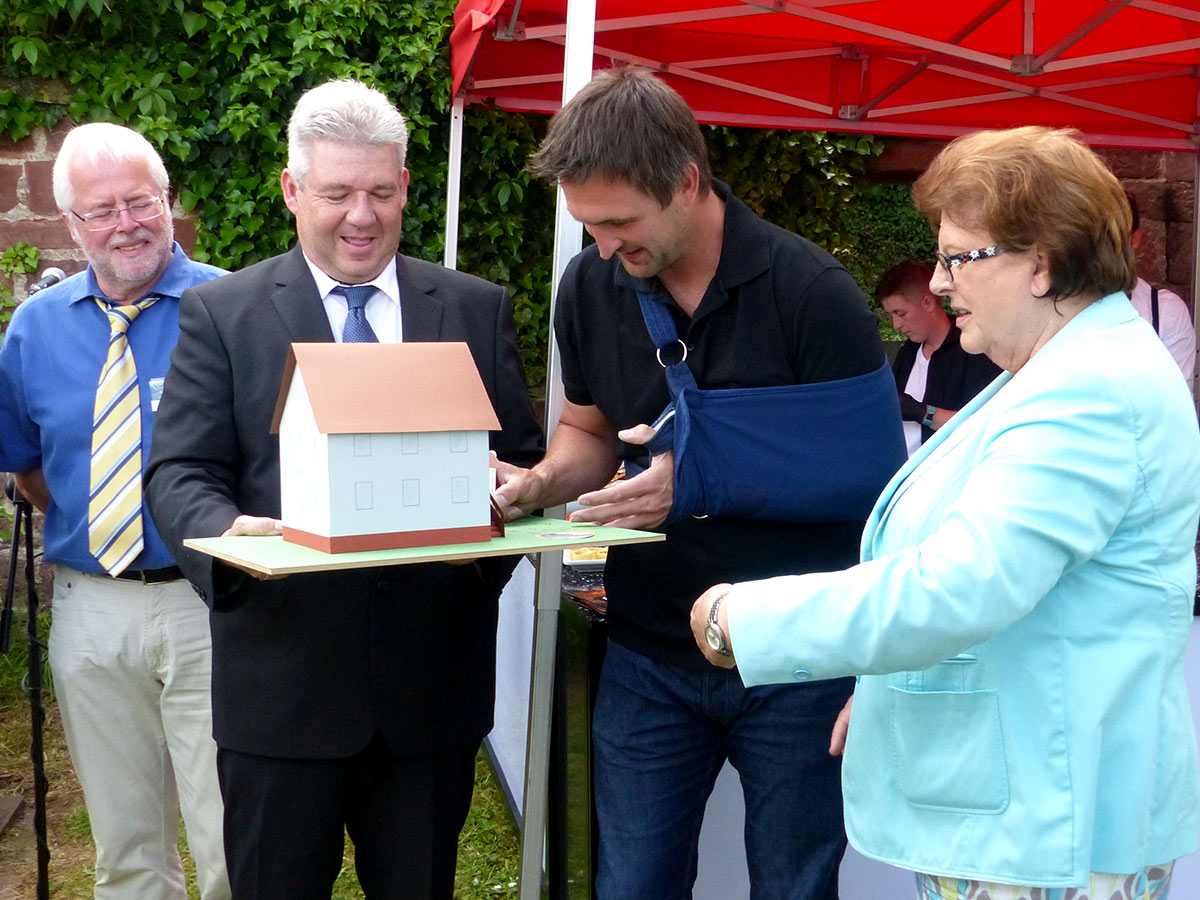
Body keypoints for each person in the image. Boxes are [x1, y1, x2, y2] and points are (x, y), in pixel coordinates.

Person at [690, 126, 1200, 899]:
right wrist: (892, 682)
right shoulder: (1058, 367)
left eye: (959, 257)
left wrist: (744, 620)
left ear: (1044, 262)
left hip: (1052, 827)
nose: (937, 282)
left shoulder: (1086, 388)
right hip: (1035, 811)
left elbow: (959, 585)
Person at [495, 67, 901, 899]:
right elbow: (588, 431)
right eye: (590, 227)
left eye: (620, 224)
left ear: (688, 181)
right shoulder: (592, 282)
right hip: (649, 650)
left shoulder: (811, 292)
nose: (606, 249)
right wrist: (537, 485)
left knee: (794, 885)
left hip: (795, 659)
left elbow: (872, 479)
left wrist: (702, 478)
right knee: (632, 883)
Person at [143, 79, 542, 900]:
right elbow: (179, 472)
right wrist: (230, 539)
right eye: (336, 194)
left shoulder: (471, 307)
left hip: (431, 695)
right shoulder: (224, 315)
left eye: (381, 192)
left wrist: (477, 561)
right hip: (280, 694)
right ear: (293, 191)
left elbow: (521, 465)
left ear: (403, 188)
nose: (361, 216)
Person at [0, 123, 230, 899]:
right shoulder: (33, 329)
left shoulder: (232, 308)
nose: (125, 223)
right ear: (70, 224)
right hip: (91, 611)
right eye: (101, 211)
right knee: (127, 852)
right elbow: (31, 470)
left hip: (213, 603)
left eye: (141, 202)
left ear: (169, 203)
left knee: (232, 841)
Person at [877, 259, 1000, 455]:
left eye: (900, 313)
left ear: (927, 302)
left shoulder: (974, 351)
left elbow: (985, 425)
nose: (895, 325)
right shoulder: (907, 353)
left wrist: (921, 412)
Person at [1125, 191, 1195, 395]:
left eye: (1112, 235)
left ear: (1134, 238)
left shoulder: (1165, 312)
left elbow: (1175, 410)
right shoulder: (1060, 306)